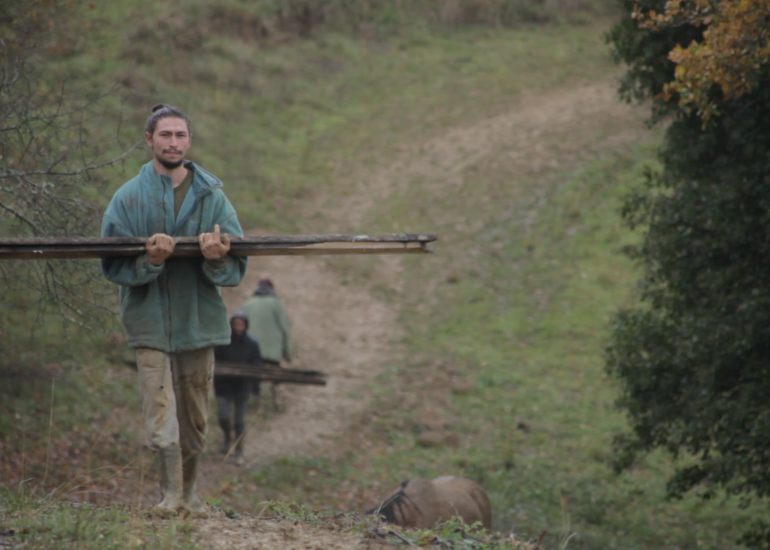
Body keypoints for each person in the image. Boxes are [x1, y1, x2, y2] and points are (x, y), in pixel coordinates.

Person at [101, 104, 247, 515]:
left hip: (199, 322)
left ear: (189, 141)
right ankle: (169, 496)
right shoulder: (127, 198)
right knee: (160, 411)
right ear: (149, 140)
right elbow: (111, 265)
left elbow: (235, 269)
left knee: (196, 417)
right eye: (165, 135)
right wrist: (152, 261)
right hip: (148, 322)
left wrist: (216, 258)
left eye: (180, 135)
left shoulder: (213, 198)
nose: (173, 142)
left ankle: (191, 495)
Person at [214, 310, 262, 464]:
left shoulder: (252, 344)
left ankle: (239, 450)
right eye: (235, 324)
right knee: (223, 416)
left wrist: (255, 389)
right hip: (223, 386)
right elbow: (214, 363)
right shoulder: (222, 342)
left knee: (239, 422)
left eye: (241, 324)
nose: (238, 327)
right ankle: (227, 438)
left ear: (246, 326)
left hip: (241, 387)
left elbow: (257, 367)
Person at [240, 279, 292, 412]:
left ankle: (258, 405)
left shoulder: (247, 304)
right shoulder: (276, 304)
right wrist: (287, 353)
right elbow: (285, 328)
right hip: (272, 350)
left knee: (255, 376)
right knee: (275, 375)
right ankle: (277, 401)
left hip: (252, 349)